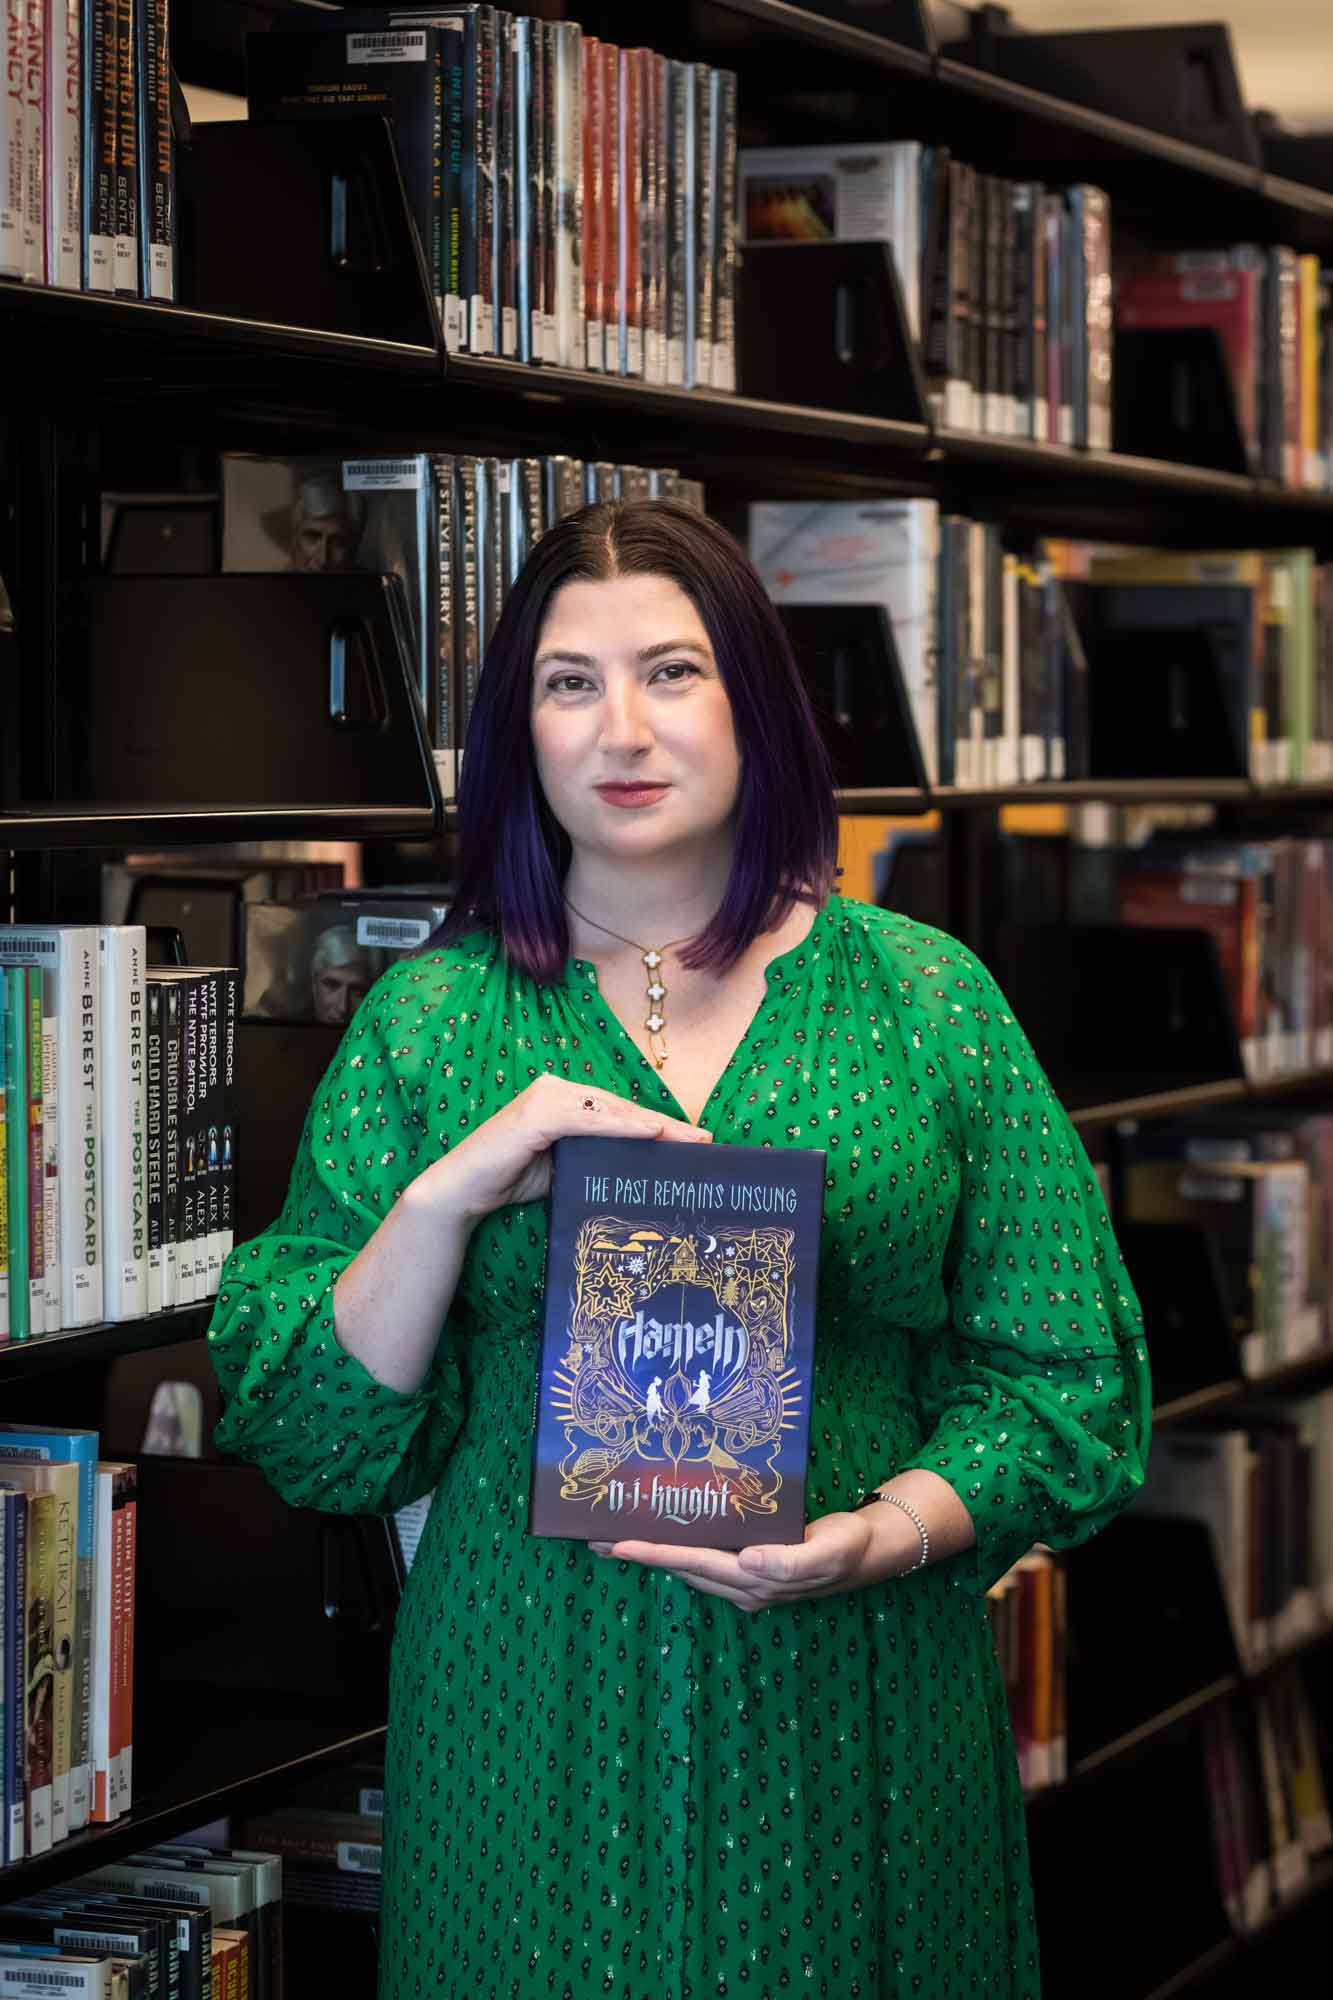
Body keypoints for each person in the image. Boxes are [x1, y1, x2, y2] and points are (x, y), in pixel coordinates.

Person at [208, 499, 1152, 2000]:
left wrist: (887, 1533)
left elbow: (1065, 1377)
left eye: (673, 671)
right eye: (568, 684)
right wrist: (444, 1200)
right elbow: (325, 1440)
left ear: (754, 707)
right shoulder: (432, 1023)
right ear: (518, 732)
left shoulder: (926, 997)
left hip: (859, 1694)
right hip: (526, 1698)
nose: (620, 730)